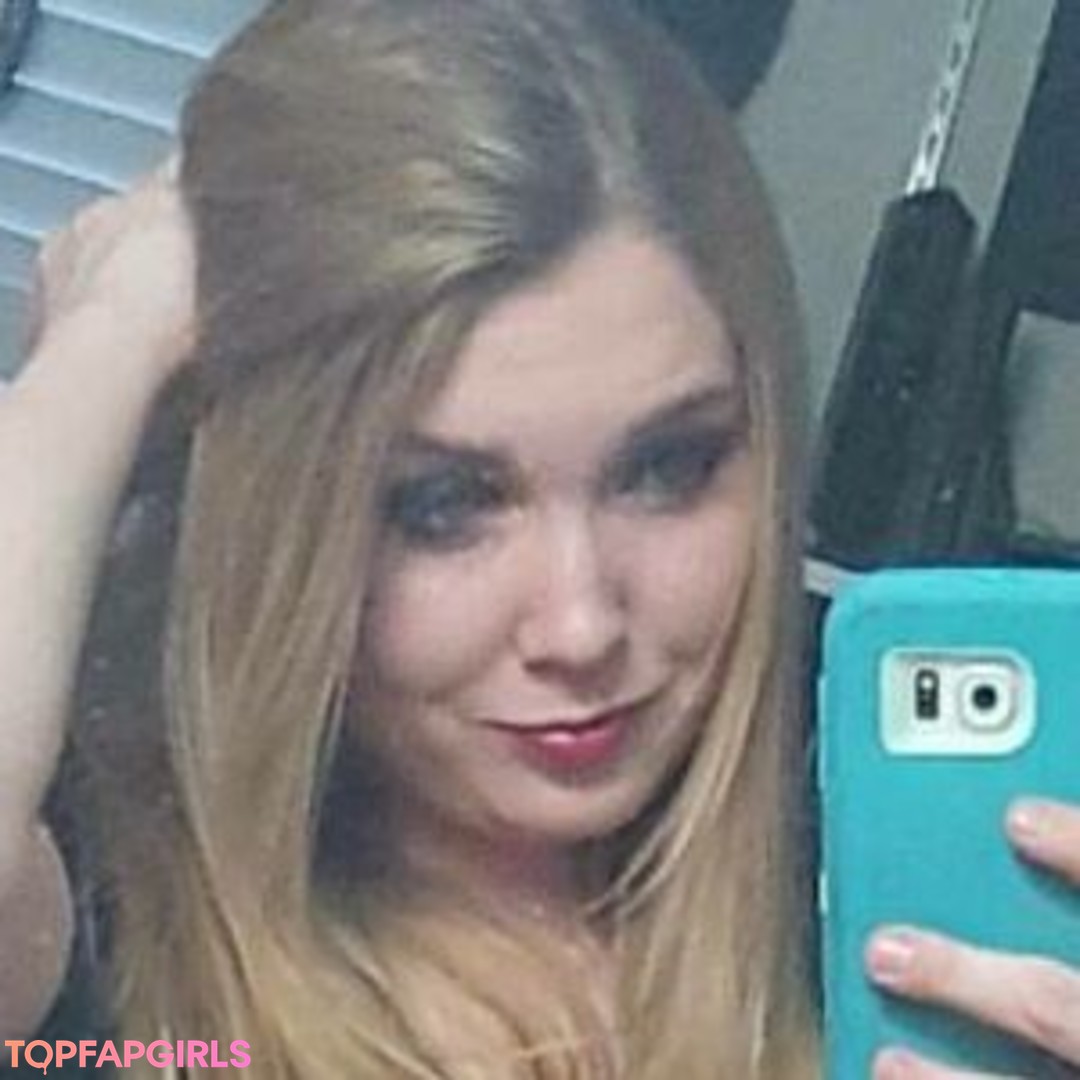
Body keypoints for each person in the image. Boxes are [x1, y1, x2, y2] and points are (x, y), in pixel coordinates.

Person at [3, 1, 1080, 1077]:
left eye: (668, 468)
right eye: (442, 506)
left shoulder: (873, 848)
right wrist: (107, 338)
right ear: (269, 520)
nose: (581, 627)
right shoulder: (114, 942)